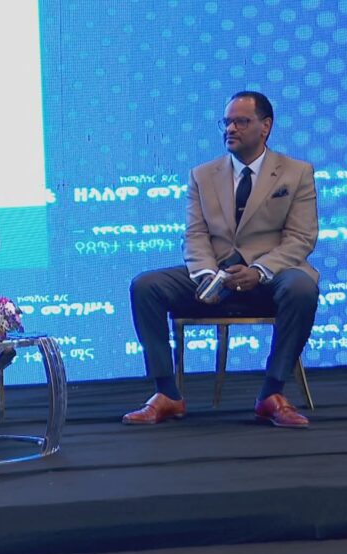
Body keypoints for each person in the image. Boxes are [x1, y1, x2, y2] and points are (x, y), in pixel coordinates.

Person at [126, 91, 319, 428]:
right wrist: (205, 274)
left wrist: (259, 270)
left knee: (302, 287)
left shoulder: (296, 172)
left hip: (270, 275)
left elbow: (301, 238)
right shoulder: (203, 174)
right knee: (146, 286)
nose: (230, 129)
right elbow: (195, 234)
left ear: (265, 126)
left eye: (241, 122)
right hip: (215, 274)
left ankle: (272, 393)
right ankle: (167, 393)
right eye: (226, 122)